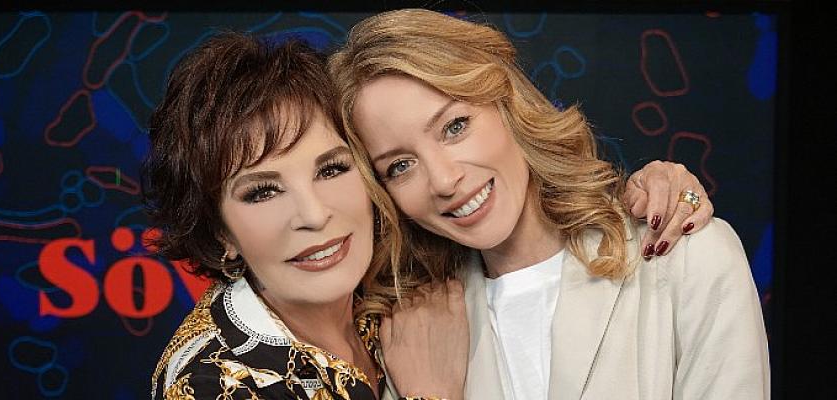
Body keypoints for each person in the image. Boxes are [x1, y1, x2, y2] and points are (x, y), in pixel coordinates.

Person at [145, 29, 714, 400]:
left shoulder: (399, 288)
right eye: (262, 192)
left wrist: (656, 187)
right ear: (219, 232)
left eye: (331, 168)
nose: (314, 215)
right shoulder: (213, 382)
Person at [329, 8, 769, 400]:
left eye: (455, 126)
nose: (444, 180)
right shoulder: (411, 330)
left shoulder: (688, 257)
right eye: (401, 165)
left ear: (507, 102)